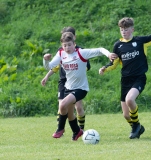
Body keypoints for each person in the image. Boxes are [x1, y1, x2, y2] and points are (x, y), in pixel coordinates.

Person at [43, 32, 117, 141]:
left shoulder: (81, 53)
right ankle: (77, 131)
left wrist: (109, 54)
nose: (67, 48)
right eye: (65, 45)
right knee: (70, 114)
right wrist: (45, 59)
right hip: (68, 88)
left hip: (81, 89)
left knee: (62, 105)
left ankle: (60, 129)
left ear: (74, 44)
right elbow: (48, 66)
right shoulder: (61, 54)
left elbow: (100, 49)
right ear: (62, 46)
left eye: (69, 44)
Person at [99, 17, 151, 139]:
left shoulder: (140, 41)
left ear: (132, 29)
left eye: (126, 29)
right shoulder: (118, 45)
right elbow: (114, 63)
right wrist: (104, 68)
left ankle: (136, 127)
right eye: (121, 29)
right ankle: (137, 127)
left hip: (139, 78)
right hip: (125, 80)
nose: (124, 32)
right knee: (126, 115)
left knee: (129, 100)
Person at [41, 27, 91, 137]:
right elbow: (55, 65)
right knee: (62, 106)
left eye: (69, 42)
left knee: (78, 107)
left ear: (74, 38)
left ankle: (80, 128)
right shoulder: (61, 51)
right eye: (64, 43)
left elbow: (87, 66)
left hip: (77, 84)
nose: (66, 46)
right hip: (64, 82)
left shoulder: (80, 51)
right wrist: (47, 75)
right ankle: (67, 130)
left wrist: (76, 70)